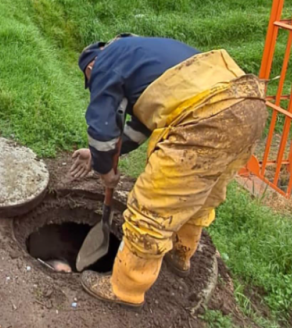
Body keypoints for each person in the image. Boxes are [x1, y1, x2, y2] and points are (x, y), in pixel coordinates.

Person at [71, 34, 267, 308]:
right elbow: (142, 125)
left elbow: (103, 128)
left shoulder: (103, 64)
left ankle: (125, 287)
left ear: (89, 68)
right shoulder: (141, 56)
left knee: (153, 204)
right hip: (247, 101)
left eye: (89, 80)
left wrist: (105, 171)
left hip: (206, 116)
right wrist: (96, 156)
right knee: (201, 193)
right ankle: (180, 252)